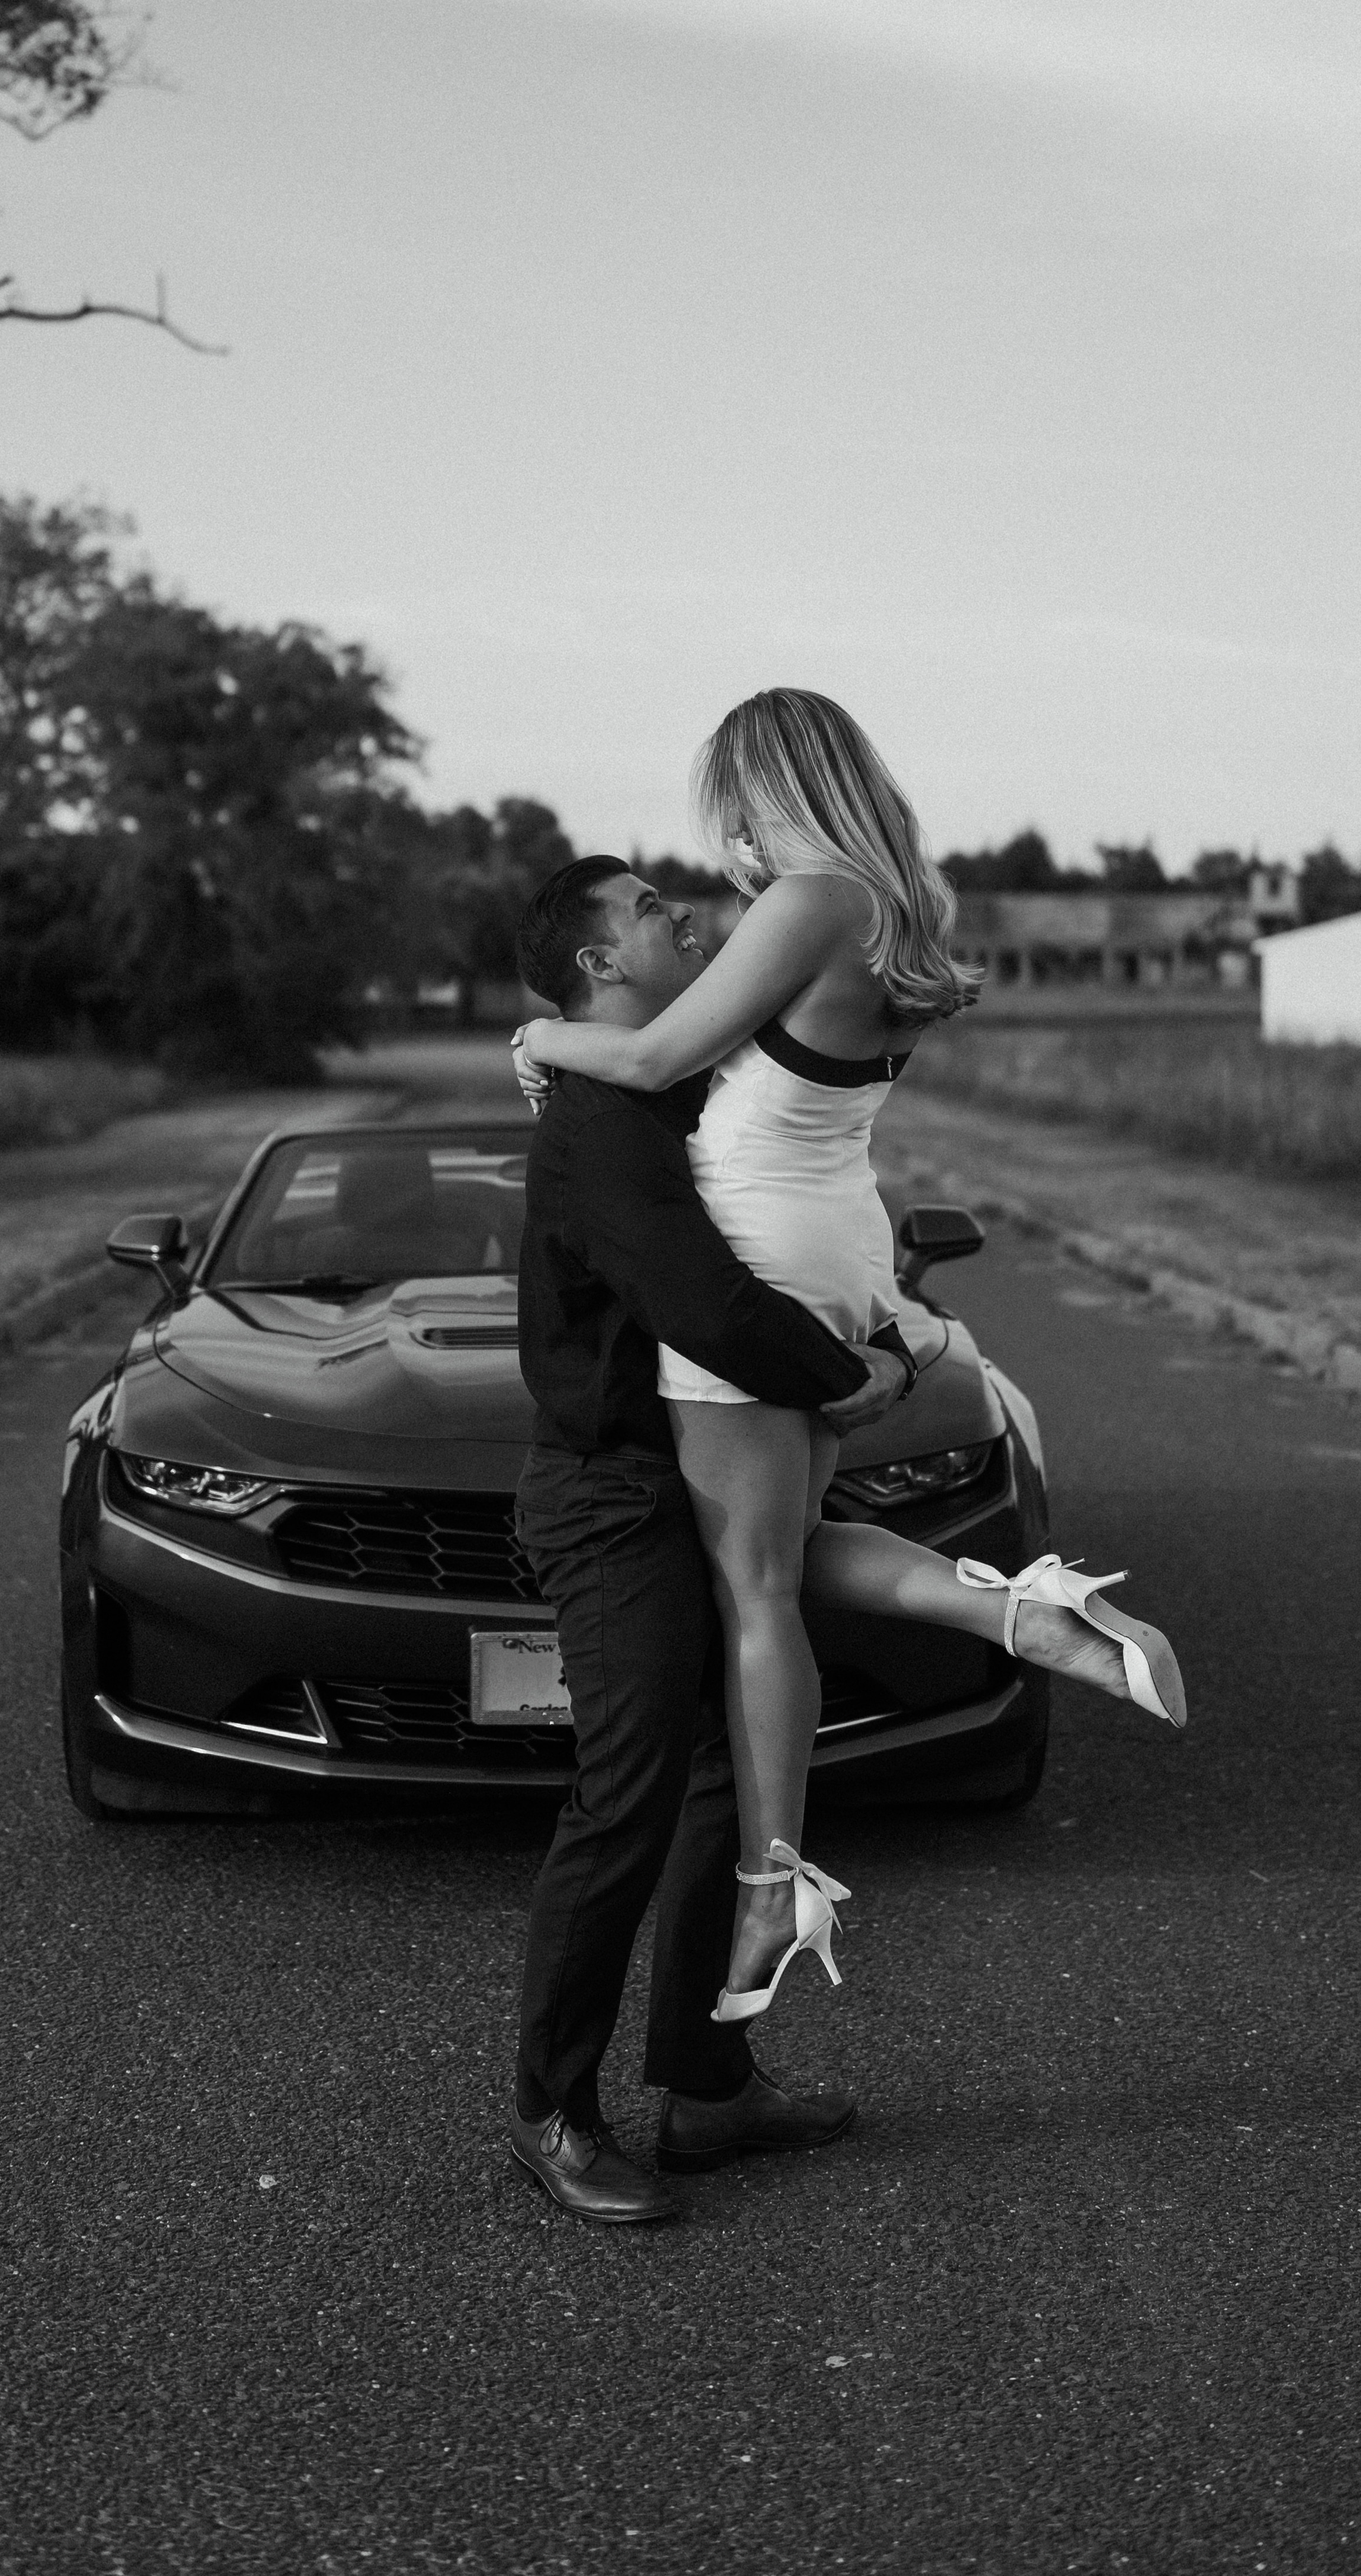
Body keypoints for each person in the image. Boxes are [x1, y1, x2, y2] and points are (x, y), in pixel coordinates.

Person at [518, 688, 1186, 2020]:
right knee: (779, 1549)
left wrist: (538, 1036)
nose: (724, 846)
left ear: (775, 784)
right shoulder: (895, 911)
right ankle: (1016, 1611)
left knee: (755, 1587)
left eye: (734, 810)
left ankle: (775, 1882)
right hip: (839, 1242)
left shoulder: (807, 902)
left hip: (759, 1254)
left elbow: (651, 1053)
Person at [508, 853, 923, 2227]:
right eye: (644, 910)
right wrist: (846, 1374)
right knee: (625, 1795)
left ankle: (703, 2086)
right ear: (596, 966)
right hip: (615, 1493)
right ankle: (554, 2115)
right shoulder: (599, 1117)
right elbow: (698, 1297)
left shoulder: (684, 1077)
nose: (682, 911)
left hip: (693, 1472)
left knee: (711, 1791)